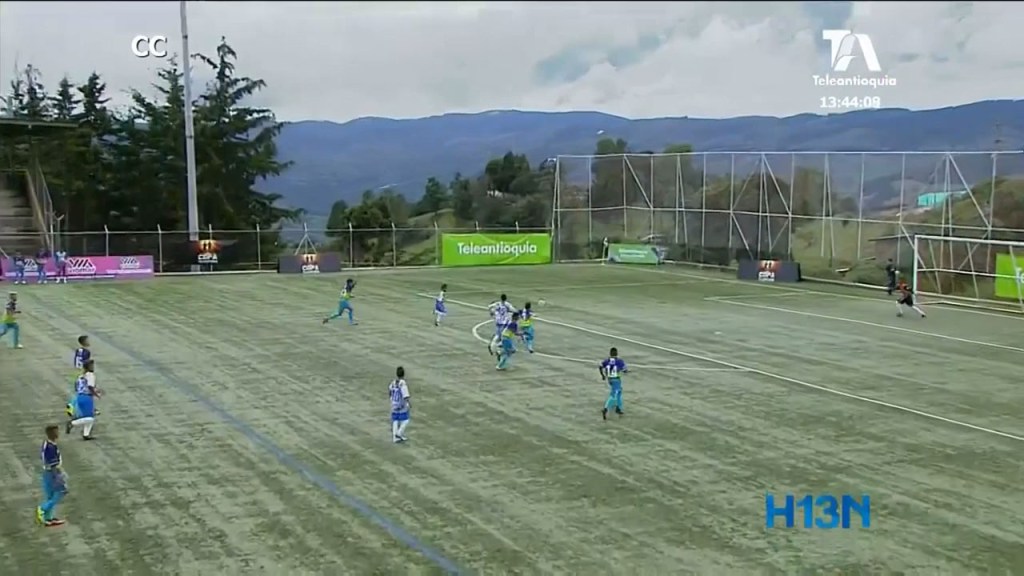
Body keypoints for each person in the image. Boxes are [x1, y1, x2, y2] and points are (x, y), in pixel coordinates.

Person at [37, 424, 67, 527]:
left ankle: (48, 518)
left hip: (49, 473)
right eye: (56, 431)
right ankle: (43, 508)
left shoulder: (48, 444)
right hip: (52, 473)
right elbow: (51, 463)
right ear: (51, 433)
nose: (58, 433)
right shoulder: (50, 447)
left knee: (50, 495)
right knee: (62, 491)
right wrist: (59, 474)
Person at [67, 359, 99, 440]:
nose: (93, 367)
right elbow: (90, 386)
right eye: (91, 365)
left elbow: (76, 386)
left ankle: (86, 434)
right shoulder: (91, 375)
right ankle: (72, 423)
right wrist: (96, 394)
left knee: (90, 416)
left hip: (80, 396)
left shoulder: (81, 376)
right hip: (87, 397)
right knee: (90, 418)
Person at [66, 335, 92, 419]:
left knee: (80, 390)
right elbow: (86, 363)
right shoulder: (87, 352)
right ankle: (73, 405)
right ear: (84, 342)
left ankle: (73, 405)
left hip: (76, 370)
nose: (89, 342)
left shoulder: (78, 350)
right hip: (82, 372)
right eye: (87, 340)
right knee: (85, 390)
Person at [599, 347, 628, 420]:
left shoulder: (606, 361)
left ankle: (618, 408)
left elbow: (600, 366)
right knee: (613, 395)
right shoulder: (619, 361)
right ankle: (605, 409)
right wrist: (626, 371)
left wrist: (602, 375)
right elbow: (624, 370)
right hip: (616, 380)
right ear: (617, 353)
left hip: (610, 379)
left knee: (619, 392)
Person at [389, 367, 411, 443]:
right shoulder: (403, 383)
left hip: (394, 403)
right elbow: (405, 394)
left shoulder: (393, 382)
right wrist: (408, 403)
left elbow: (390, 391)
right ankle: (399, 433)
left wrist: (392, 400)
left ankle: (395, 437)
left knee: (395, 420)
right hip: (401, 404)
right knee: (406, 419)